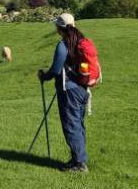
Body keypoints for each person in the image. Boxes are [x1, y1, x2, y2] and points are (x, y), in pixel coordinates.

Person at [38, 13, 90, 173]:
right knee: (78, 124)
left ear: (59, 28)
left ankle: (80, 164)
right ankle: (77, 159)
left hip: (69, 92)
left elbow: (55, 69)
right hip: (82, 89)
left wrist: (44, 76)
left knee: (71, 126)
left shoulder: (63, 45)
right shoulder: (80, 41)